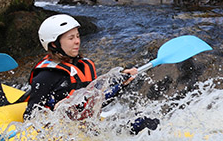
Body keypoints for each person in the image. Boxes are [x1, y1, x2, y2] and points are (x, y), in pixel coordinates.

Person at [25, 14, 158, 133]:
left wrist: (122, 85)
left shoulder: (84, 66)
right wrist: (58, 112)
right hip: (67, 135)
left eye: (77, 36)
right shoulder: (46, 75)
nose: (77, 41)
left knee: (146, 123)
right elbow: (30, 115)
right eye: (71, 38)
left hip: (89, 129)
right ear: (54, 44)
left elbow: (95, 103)